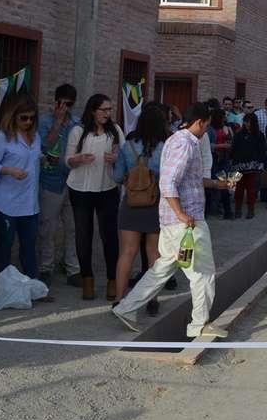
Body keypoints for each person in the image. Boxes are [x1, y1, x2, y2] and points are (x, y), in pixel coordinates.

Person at [112, 103, 222, 339]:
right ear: (200, 122)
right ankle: (199, 324)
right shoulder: (185, 143)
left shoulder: (176, 140)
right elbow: (168, 182)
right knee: (202, 272)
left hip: (176, 222)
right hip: (186, 223)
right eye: (207, 125)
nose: (206, 130)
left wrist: (217, 184)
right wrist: (181, 214)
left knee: (162, 268)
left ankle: (126, 307)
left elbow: (187, 180)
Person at [67, 94, 124, 301]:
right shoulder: (78, 131)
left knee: (109, 236)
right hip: (80, 189)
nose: (107, 113)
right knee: (83, 234)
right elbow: (67, 160)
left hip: (107, 188)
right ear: (93, 111)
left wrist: (116, 158)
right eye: (103, 110)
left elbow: (125, 156)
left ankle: (112, 280)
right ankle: (87, 279)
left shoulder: (115, 130)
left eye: (109, 109)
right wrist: (78, 159)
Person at [112, 104, 168, 310]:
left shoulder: (128, 146)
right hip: (155, 204)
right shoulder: (165, 147)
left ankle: (119, 299)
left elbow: (117, 177)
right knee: (154, 254)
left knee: (127, 253)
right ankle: (152, 300)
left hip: (131, 204)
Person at [0, 94, 41, 283]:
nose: (28, 122)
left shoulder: (35, 137)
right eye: (24, 118)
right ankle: (3, 285)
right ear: (13, 116)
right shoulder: (2, 137)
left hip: (29, 202)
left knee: (29, 245)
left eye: (32, 118)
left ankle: (32, 285)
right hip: (4, 202)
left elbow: (32, 160)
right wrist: (8, 170)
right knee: (5, 243)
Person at [36, 83, 79, 287]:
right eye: (63, 103)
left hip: (73, 181)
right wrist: (58, 122)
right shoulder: (44, 121)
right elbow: (45, 145)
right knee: (47, 227)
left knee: (72, 227)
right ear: (56, 102)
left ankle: (72, 267)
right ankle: (46, 266)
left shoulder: (77, 124)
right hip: (51, 181)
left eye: (69, 104)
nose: (66, 108)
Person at [230, 112, 266, 219]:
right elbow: (234, 149)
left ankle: (251, 209)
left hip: (253, 167)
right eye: (245, 121)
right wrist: (234, 162)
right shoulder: (238, 134)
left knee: (252, 189)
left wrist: (260, 164)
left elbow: (262, 151)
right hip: (238, 166)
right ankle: (238, 209)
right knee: (238, 188)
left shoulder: (259, 135)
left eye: (249, 122)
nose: (247, 124)